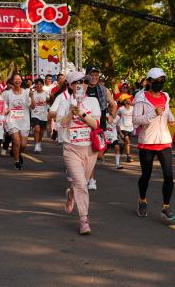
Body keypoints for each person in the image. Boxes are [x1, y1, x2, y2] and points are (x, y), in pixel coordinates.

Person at [57, 71, 101, 235]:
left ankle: (71, 194)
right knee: (82, 184)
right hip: (71, 148)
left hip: (90, 149)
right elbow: (60, 124)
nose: (82, 84)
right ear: (70, 85)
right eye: (78, 82)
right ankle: (84, 220)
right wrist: (70, 113)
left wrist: (82, 113)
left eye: (84, 81)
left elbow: (96, 124)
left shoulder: (93, 101)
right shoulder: (64, 102)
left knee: (80, 183)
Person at [133, 68, 175, 221]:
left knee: (169, 176)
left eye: (162, 81)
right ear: (149, 82)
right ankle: (142, 200)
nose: (160, 84)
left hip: (164, 140)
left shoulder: (165, 96)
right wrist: (154, 113)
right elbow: (136, 120)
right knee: (146, 175)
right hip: (147, 142)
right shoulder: (140, 98)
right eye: (157, 82)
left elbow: (167, 110)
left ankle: (166, 207)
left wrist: (170, 117)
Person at [85, 65, 117, 190]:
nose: (94, 77)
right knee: (90, 153)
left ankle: (84, 172)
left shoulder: (104, 90)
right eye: (92, 74)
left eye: (96, 75)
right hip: (85, 124)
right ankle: (91, 179)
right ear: (87, 75)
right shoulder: (81, 88)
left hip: (100, 125)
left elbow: (113, 105)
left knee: (97, 155)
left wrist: (112, 116)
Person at [3, 73, 35, 170]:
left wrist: (32, 96)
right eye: (15, 79)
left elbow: (33, 107)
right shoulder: (7, 93)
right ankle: (16, 162)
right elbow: (3, 104)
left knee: (23, 145)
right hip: (12, 120)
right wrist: (6, 110)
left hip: (24, 121)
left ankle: (18, 153)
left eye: (19, 79)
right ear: (12, 81)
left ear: (21, 81)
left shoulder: (26, 92)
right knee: (16, 142)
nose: (17, 81)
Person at [31, 78, 49, 153]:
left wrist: (48, 100)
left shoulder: (46, 93)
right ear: (35, 85)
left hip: (43, 115)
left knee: (41, 131)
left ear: (42, 85)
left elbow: (49, 102)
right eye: (37, 84)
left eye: (40, 84)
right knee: (37, 129)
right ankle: (36, 145)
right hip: (35, 114)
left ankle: (39, 143)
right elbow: (32, 106)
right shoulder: (33, 93)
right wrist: (32, 97)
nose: (38, 85)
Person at [117, 93, 134, 163]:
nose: (130, 100)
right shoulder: (121, 109)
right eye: (128, 99)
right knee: (127, 141)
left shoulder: (133, 108)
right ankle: (128, 157)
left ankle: (121, 147)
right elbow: (117, 118)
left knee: (126, 143)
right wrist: (119, 131)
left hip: (130, 128)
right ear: (124, 101)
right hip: (123, 127)